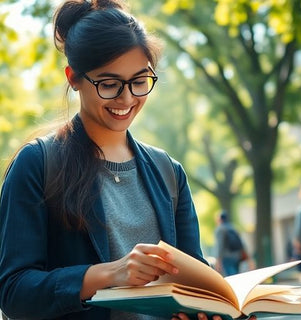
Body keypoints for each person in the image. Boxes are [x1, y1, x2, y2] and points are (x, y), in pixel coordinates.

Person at [0, 1, 257, 320]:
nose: (126, 98)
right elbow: (13, 293)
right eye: (108, 84)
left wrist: (215, 309)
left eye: (139, 81)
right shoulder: (37, 163)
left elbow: (192, 282)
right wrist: (110, 274)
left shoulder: (169, 172)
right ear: (73, 78)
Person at [215, 210, 253, 276]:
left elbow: (220, 246)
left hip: (227, 257)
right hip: (237, 256)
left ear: (220, 219)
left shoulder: (220, 229)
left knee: (231, 276)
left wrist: (218, 260)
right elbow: (242, 243)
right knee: (236, 275)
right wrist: (249, 259)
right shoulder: (233, 228)